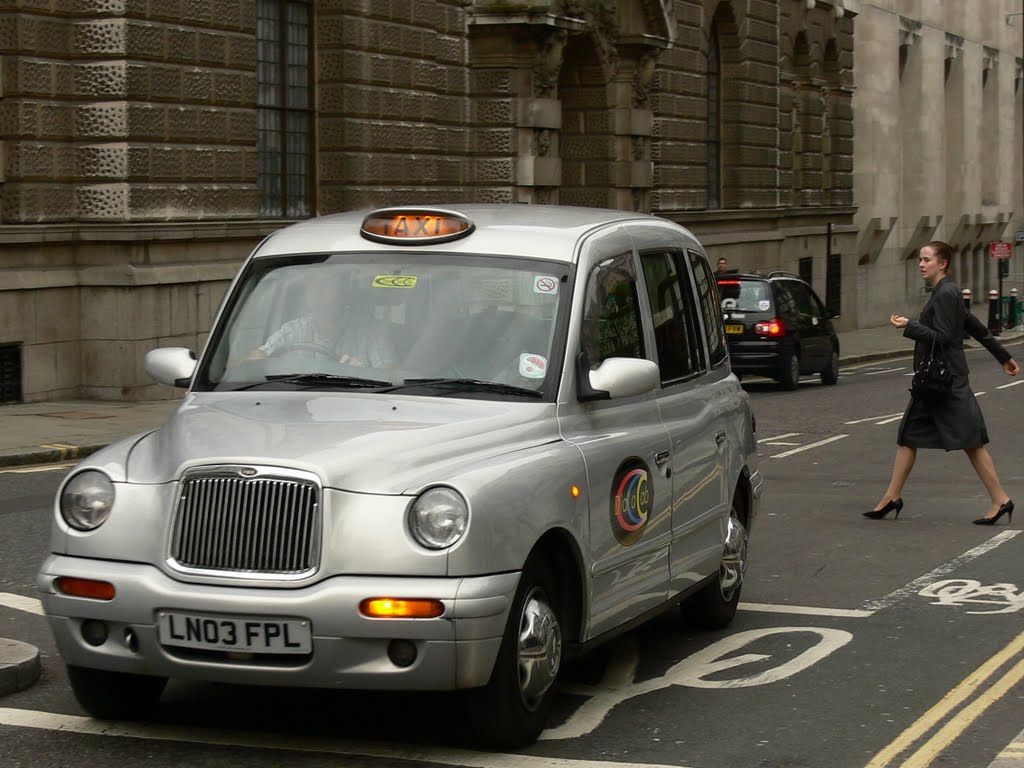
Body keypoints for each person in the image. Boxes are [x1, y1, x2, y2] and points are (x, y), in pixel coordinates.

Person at [865, 241, 1019, 525]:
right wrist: (1003, 356)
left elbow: (946, 337)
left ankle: (1001, 499)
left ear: (943, 263)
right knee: (908, 436)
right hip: (934, 383)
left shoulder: (947, 292)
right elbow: (973, 325)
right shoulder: (944, 292)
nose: (921, 264)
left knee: (971, 442)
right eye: (920, 260)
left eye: (927, 260)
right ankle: (891, 497)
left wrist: (909, 326)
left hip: (945, 382)